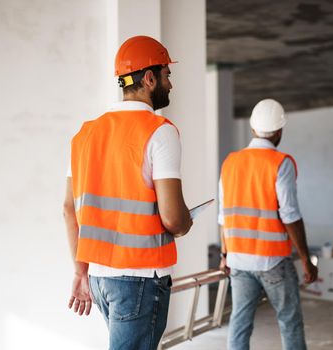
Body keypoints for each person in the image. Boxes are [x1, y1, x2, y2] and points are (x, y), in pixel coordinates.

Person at [63, 35, 192, 350]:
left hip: (99, 277)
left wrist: (81, 271)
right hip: (141, 278)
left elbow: (69, 209)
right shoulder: (159, 131)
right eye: (167, 75)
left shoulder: (85, 134)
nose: (170, 85)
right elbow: (174, 219)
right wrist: (188, 222)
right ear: (149, 78)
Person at [218, 98, 318, 350]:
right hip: (272, 260)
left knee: (239, 322)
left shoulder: (230, 163)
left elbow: (223, 216)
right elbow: (290, 216)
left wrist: (225, 254)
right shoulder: (280, 163)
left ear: (252, 128)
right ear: (279, 130)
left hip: (238, 260)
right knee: (289, 321)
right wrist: (306, 258)